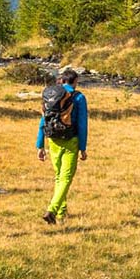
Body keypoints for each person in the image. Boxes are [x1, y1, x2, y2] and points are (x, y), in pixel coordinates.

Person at [37, 69, 88, 224]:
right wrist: (83, 147)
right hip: (70, 141)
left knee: (59, 176)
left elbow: (43, 121)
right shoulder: (78, 97)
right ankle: (52, 209)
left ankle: (61, 213)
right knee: (66, 178)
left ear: (62, 81)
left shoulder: (51, 95)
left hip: (53, 139)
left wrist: (40, 145)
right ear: (75, 81)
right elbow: (82, 124)